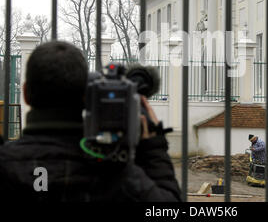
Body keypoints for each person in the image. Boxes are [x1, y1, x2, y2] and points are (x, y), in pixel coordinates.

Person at [0, 41, 181, 202]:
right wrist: (152, 148)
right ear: (87, 96)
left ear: (25, 94)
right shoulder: (115, 174)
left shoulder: (6, 165)